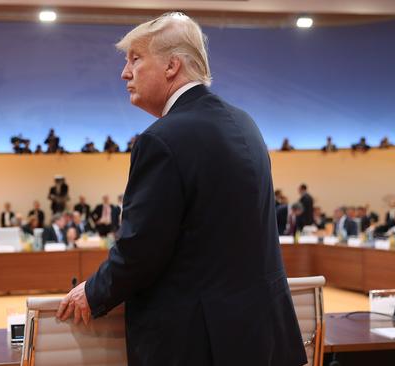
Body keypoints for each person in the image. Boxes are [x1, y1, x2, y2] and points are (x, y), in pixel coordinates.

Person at [57, 13, 305, 366]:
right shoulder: (245, 124)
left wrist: (93, 292)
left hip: (196, 343)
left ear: (172, 65)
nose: (125, 73)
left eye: (135, 59)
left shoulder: (162, 139)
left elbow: (142, 248)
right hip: (260, 335)